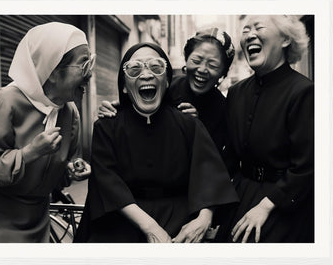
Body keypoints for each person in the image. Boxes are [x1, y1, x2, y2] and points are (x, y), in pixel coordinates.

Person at [75, 42, 238, 243]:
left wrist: (204, 218)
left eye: (156, 67)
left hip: (179, 221)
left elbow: (210, 175)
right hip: (122, 219)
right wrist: (150, 227)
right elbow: (107, 182)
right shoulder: (107, 127)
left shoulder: (189, 124)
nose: (146, 75)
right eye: (135, 69)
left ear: (167, 80)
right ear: (124, 86)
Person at [0, 22, 94, 243]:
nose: (90, 73)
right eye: (83, 64)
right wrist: (29, 153)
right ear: (52, 71)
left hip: (40, 223)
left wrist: (70, 170)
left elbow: (55, 176)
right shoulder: (3, 103)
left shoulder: (70, 112)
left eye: (91, 62)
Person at [223, 15, 314, 243]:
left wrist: (266, 206)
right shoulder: (235, 93)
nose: (250, 35)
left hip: (285, 202)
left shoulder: (304, 92)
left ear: (285, 39)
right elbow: (228, 158)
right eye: (245, 30)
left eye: (258, 27)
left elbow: (306, 167)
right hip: (242, 194)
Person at [99, 28, 235, 154]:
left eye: (212, 65)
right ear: (186, 59)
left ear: (223, 72)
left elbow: (213, 159)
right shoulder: (166, 86)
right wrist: (116, 108)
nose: (202, 69)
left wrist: (196, 128)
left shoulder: (224, 109)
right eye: (196, 60)